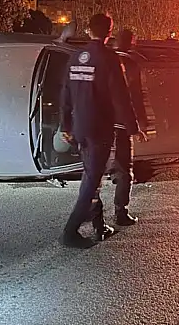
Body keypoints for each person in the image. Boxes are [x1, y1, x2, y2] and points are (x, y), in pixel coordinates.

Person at [59, 14, 139, 249]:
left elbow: (65, 92)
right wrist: (132, 126)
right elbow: (120, 96)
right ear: (109, 31)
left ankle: (99, 225)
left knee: (90, 177)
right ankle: (70, 231)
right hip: (99, 130)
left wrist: (66, 125)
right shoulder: (108, 58)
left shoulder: (75, 56)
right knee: (92, 182)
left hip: (80, 128)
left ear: (88, 29)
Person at [111, 29, 153, 226]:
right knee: (124, 169)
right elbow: (134, 96)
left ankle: (88, 209)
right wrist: (138, 124)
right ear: (132, 42)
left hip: (100, 124)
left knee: (93, 170)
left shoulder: (104, 59)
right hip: (121, 125)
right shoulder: (130, 63)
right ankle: (121, 211)